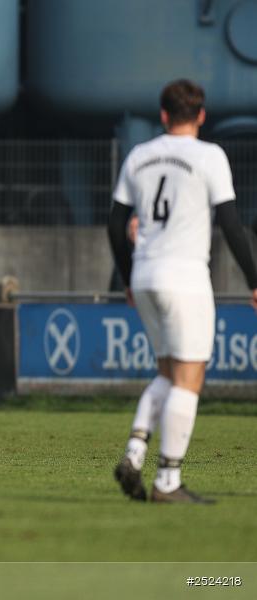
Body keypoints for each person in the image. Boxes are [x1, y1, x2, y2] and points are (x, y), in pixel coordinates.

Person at [108, 79, 257, 503]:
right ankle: (168, 481)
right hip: (185, 276)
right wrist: (254, 278)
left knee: (168, 374)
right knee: (189, 379)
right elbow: (230, 225)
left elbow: (115, 224)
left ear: (163, 114)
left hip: (146, 273)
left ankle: (135, 453)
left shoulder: (140, 155)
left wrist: (126, 275)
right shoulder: (210, 155)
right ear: (202, 115)